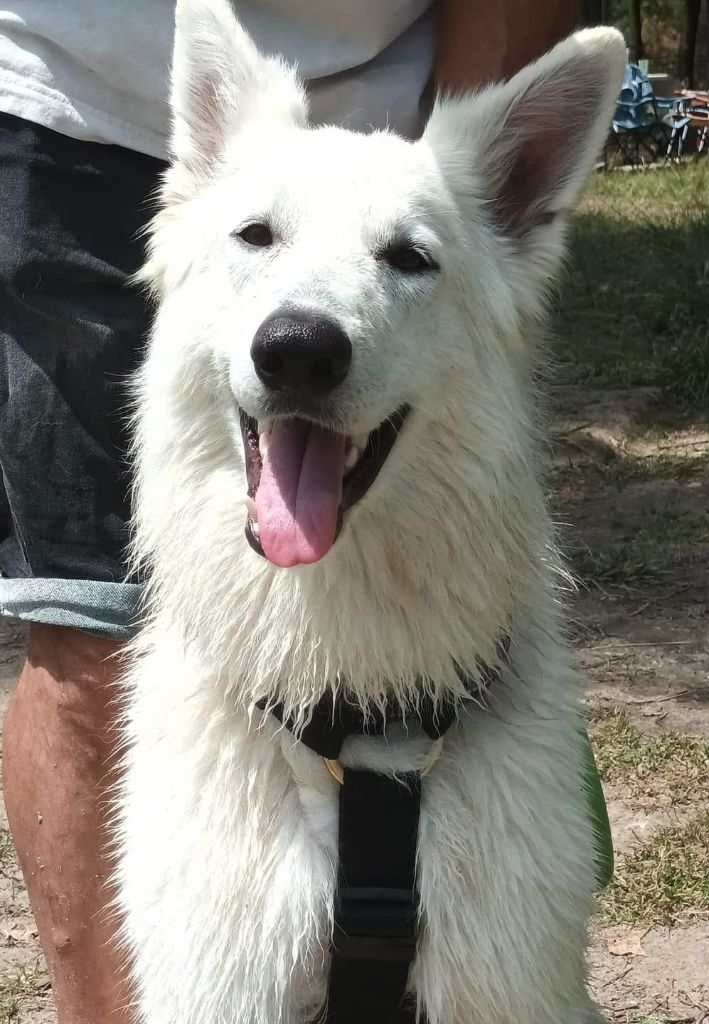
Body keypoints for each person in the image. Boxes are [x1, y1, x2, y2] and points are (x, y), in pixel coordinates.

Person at [0, 2, 580, 1021]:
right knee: (83, 636)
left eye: (406, 260)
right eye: (257, 238)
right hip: (70, 87)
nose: (301, 333)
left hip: (398, 72)